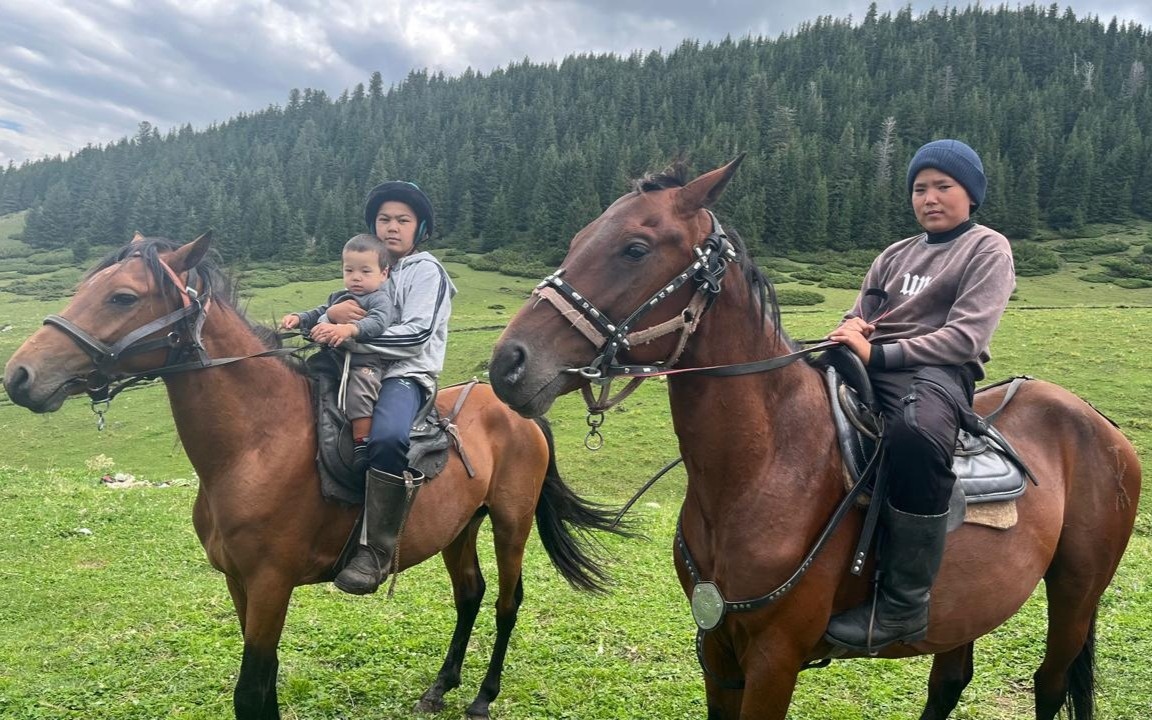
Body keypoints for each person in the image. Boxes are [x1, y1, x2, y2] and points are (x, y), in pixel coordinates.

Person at [822, 139, 1016, 653]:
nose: (929, 197)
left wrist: (877, 354)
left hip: (937, 375)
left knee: (914, 435)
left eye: (943, 187)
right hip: (870, 360)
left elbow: (965, 338)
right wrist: (848, 331)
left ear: (970, 194)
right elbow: (859, 311)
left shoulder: (988, 248)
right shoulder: (894, 254)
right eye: (919, 188)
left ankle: (903, 607)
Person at [324, 181, 457, 595]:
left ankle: (376, 552)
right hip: (355, 365)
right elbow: (340, 313)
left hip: (405, 374)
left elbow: (417, 334)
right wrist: (328, 315)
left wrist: (350, 333)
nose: (392, 227)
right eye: (384, 219)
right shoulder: (368, 267)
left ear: (420, 228)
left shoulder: (428, 272)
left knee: (386, 438)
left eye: (403, 220)